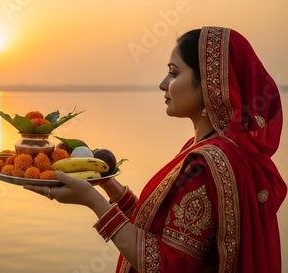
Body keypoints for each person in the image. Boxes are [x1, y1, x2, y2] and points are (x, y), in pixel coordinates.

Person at [24, 26, 287, 273]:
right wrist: (110, 187)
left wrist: (94, 202)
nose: (163, 83)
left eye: (174, 72)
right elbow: (164, 230)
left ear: (210, 84)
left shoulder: (205, 164)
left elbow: (163, 265)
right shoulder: (209, 149)